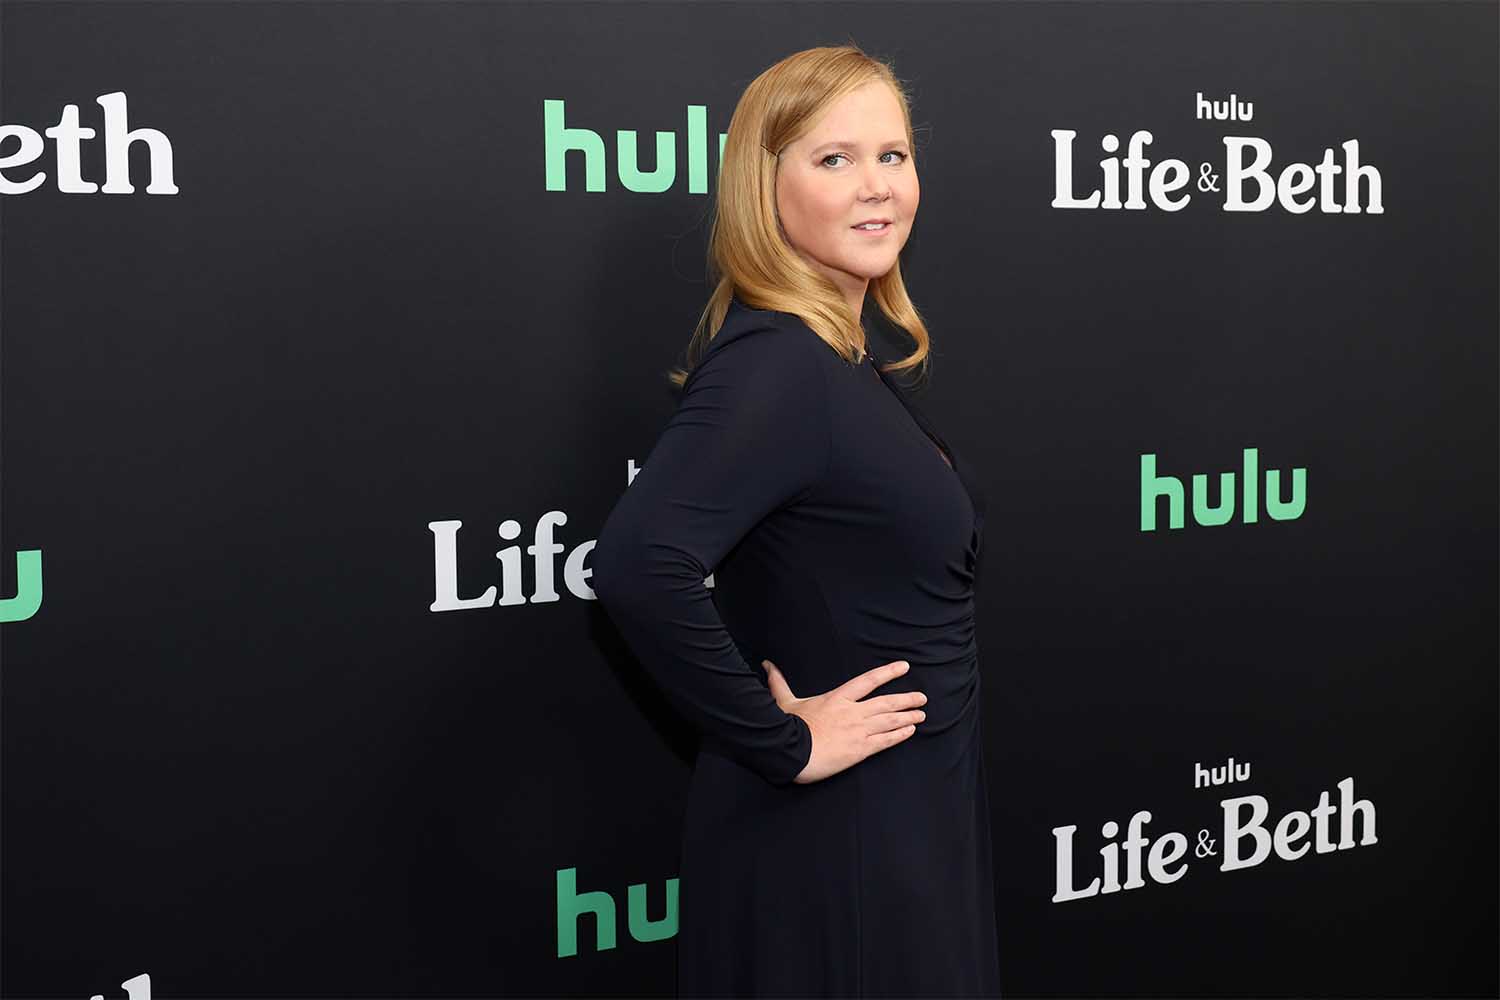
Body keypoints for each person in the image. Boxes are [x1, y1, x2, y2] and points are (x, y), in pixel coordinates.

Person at [590, 43, 1000, 998]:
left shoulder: (845, 360)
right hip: (839, 845)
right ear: (759, 188)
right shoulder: (777, 365)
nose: (877, 187)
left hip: (907, 824)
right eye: (833, 158)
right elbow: (639, 564)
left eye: (893, 155)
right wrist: (785, 739)